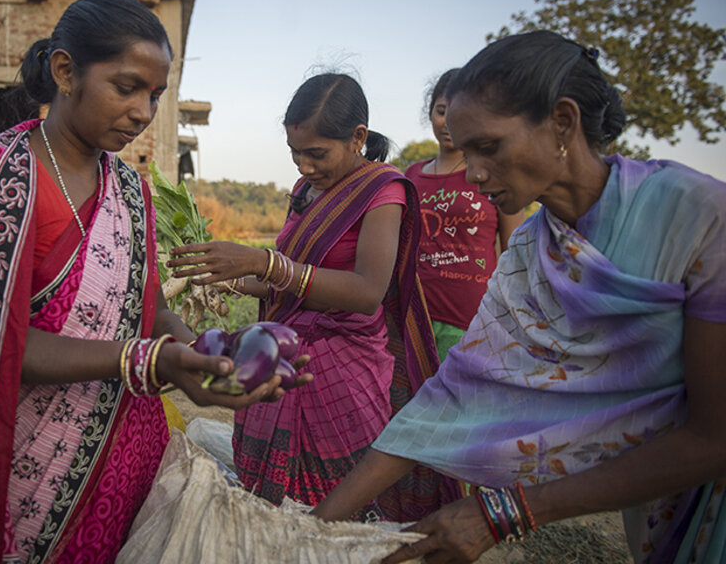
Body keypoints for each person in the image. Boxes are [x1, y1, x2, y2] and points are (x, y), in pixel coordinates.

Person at [313, 30, 726, 564]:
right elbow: (457, 387)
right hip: (659, 512)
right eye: (466, 151)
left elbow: (714, 438)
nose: (475, 174)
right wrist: (311, 530)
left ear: (562, 123)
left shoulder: (696, 219)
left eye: (489, 148)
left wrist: (504, 512)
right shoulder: (534, 249)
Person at [0, 0, 304, 564]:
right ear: (65, 71)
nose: (143, 112)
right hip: (19, 470)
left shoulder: (130, 192)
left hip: (119, 463)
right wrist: (150, 362)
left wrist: (204, 352)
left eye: (154, 96)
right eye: (126, 87)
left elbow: (145, 304)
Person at [168, 73, 461, 520]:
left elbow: (367, 292)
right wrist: (223, 278)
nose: (303, 165)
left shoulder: (384, 190)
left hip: (345, 368)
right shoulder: (306, 191)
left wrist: (264, 262)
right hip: (282, 353)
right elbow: (286, 282)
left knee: (335, 507)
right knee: (271, 513)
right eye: (295, 152)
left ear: (357, 137)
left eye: (316, 153)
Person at [403, 69, 524, 361]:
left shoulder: (494, 174)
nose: (448, 123)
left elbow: (516, 253)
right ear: (430, 113)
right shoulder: (411, 176)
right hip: (413, 318)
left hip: (476, 320)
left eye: (458, 112)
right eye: (442, 111)